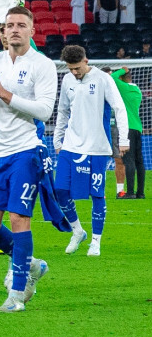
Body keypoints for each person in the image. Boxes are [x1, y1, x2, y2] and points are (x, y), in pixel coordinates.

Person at [0, 4, 57, 313]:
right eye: (10, 25)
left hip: (25, 152)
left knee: (19, 219)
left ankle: (17, 294)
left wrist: (4, 93)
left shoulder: (43, 65)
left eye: (22, 24)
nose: (15, 29)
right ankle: (31, 264)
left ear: (32, 31)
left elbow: (45, 110)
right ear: (2, 31)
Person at [52, 45, 128, 257]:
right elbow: (63, 111)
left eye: (77, 68)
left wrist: (123, 139)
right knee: (60, 190)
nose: (74, 73)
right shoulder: (67, 80)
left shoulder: (103, 79)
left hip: (97, 146)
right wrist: (57, 140)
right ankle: (77, 230)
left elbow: (119, 108)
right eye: (70, 69)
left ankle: (96, 241)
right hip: (70, 144)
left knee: (97, 194)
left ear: (86, 61)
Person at [111, 67, 144, 198]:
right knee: (139, 161)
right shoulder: (137, 91)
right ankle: (140, 193)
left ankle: (130, 192)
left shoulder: (123, 88)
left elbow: (112, 78)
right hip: (138, 128)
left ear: (122, 79)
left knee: (128, 160)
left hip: (127, 128)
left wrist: (121, 70)